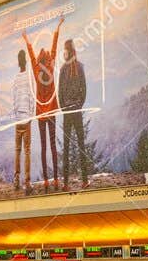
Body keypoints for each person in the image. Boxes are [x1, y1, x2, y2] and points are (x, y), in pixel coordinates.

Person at [24, 17, 63, 192]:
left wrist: (27, 41)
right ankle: (55, 179)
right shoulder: (52, 66)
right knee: (53, 146)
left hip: (40, 113)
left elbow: (31, 55)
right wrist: (57, 29)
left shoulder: (36, 68)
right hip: (52, 111)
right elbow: (55, 48)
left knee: (44, 146)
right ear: (48, 58)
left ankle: (46, 181)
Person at [58, 38, 90, 190]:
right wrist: (79, 105)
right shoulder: (79, 67)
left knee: (66, 146)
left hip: (67, 113)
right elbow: (84, 90)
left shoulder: (63, 69)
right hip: (76, 111)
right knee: (81, 145)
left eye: (65, 50)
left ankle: (65, 184)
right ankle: (84, 181)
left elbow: (60, 93)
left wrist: (64, 108)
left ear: (67, 51)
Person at [12, 49, 34, 194]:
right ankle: (27, 182)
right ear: (25, 60)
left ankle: (16, 180)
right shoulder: (29, 77)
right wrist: (31, 114)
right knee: (27, 151)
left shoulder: (15, 78)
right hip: (26, 117)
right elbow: (32, 96)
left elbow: (14, 98)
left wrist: (15, 113)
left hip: (17, 118)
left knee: (17, 150)